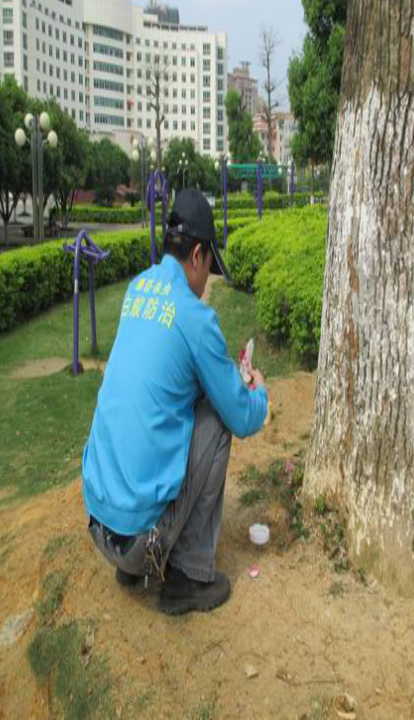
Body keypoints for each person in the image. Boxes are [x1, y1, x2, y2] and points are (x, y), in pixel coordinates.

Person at [82, 189, 269, 615]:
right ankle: (188, 577)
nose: (207, 281)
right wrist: (259, 393)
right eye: (209, 268)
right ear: (199, 254)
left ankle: (131, 565)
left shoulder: (137, 289)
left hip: (99, 526)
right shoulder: (194, 316)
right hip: (138, 543)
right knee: (220, 422)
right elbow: (241, 416)